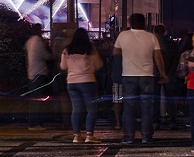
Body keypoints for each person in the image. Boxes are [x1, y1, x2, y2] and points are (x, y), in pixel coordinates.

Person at [114, 13, 166, 144]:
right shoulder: (151, 37)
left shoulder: (123, 35)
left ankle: (128, 136)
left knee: (129, 107)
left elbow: (115, 52)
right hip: (147, 75)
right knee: (146, 107)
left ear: (130, 22)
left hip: (128, 75)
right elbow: (158, 57)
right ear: (144, 23)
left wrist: (127, 51)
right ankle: (146, 136)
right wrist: (163, 73)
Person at [60, 27, 103, 143]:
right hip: (88, 81)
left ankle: (76, 136)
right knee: (92, 109)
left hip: (72, 82)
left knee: (76, 109)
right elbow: (99, 64)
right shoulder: (90, 49)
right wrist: (90, 68)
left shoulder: (67, 50)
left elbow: (63, 67)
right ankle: (89, 135)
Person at [24, 22, 53, 129]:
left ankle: (33, 122)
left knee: (34, 100)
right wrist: (55, 55)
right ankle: (36, 123)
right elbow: (45, 56)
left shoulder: (29, 41)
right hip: (39, 73)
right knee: (38, 100)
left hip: (31, 73)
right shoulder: (38, 41)